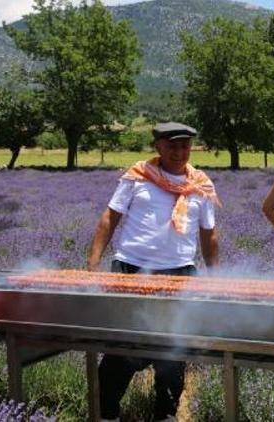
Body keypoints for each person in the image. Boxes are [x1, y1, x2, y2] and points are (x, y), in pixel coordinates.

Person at [87, 122, 220, 422]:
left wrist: (216, 278)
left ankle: (166, 415)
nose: (179, 151)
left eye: (185, 145)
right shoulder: (137, 177)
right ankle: (106, 413)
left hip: (180, 273)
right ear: (158, 146)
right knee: (121, 345)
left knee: (173, 348)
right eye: (172, 145)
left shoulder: (201, 184)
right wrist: (93, 264)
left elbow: (209, 235)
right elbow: (110, 217)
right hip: (130, 269)